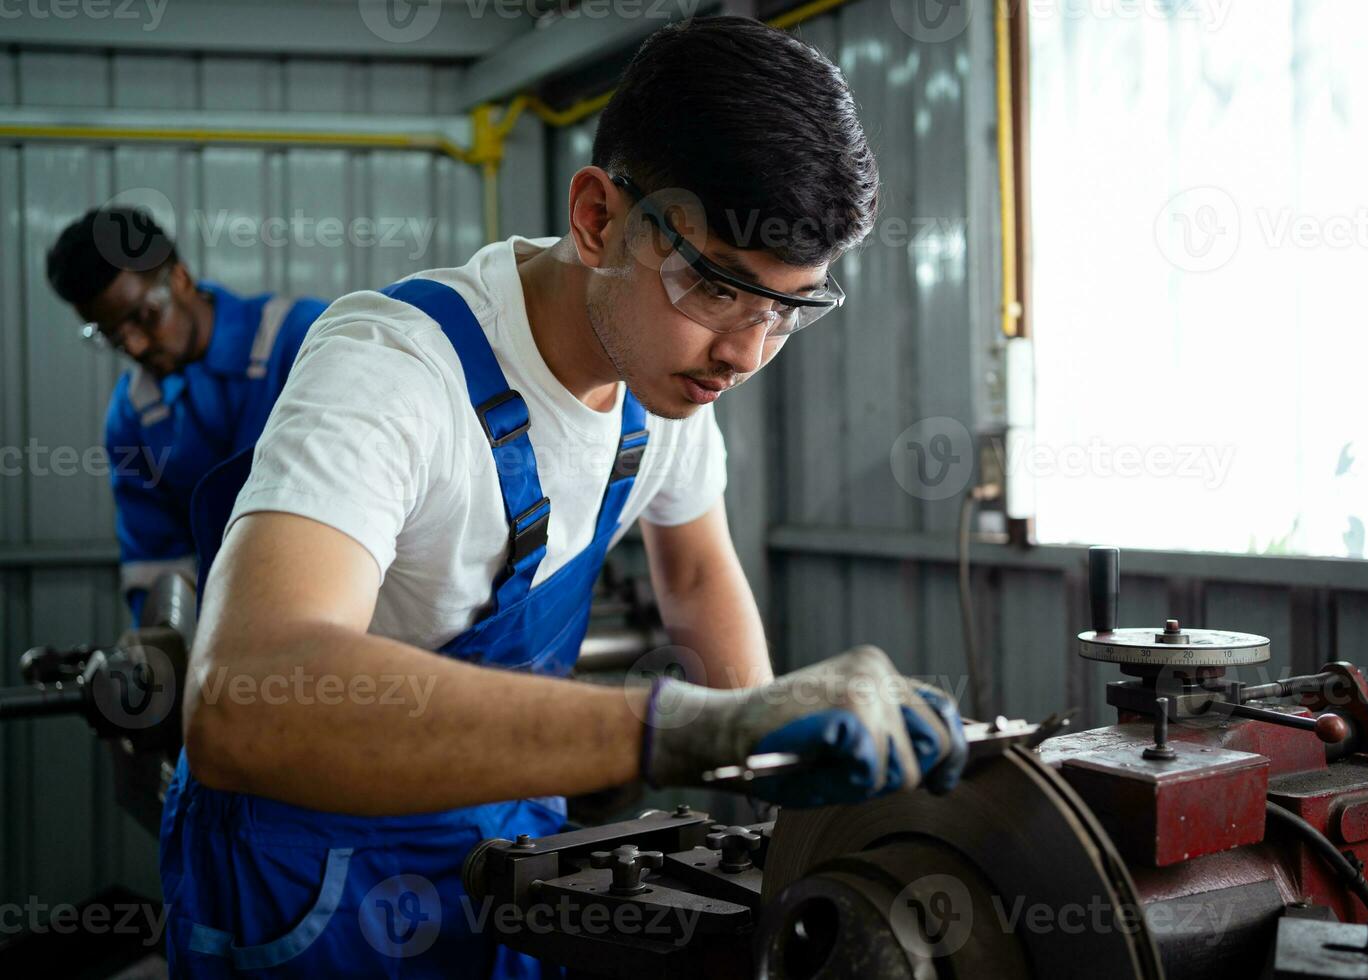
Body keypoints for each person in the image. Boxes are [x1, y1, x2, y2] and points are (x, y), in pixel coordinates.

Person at [163, 17, 968, 978]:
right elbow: (243, 703)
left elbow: (701, 575)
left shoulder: (667, 380)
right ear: (597, 220)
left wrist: (793, 793)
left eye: (785, 312)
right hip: (306, 881)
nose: (745, 355)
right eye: (718, 291)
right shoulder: (390, 370)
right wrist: (684, 730)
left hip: (504, 854)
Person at [46, 208, 326, 622]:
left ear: (179, 278)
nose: (136, 347)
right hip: (247, 630)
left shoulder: (305, 338)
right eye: (111, 335)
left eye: (144, 316)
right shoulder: (133, 418)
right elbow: (156, 559)